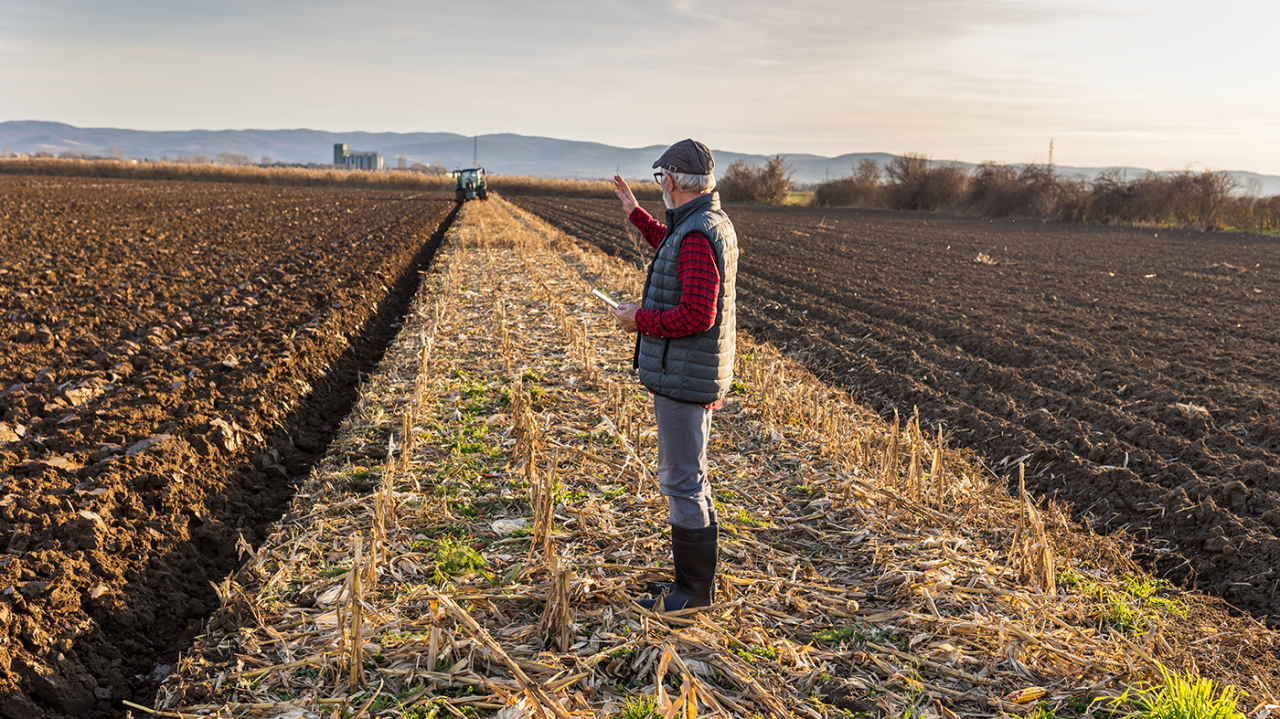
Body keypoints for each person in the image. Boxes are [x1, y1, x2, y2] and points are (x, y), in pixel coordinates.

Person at [609, 139, 739, 612]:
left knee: (683, 482)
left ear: (670, 181)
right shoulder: (702, 224)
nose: (658, 185)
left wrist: (638, 319)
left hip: (685, 380)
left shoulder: (698, 233)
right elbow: (672, 245)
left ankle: (692, 595)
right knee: (691, 479)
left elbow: (697, 315)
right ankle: (691, 585)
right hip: (690, 375)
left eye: (660, 178)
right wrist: (635, 212)